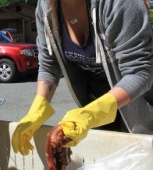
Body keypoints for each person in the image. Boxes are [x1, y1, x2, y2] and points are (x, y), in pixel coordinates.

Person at [11, 0, 153, 169]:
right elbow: (50, 64)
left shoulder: (119, 3)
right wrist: (38, 108)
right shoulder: (45, 7)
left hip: (142, 106)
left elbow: (139, 72)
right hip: (99, 108)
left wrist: (91, 114)